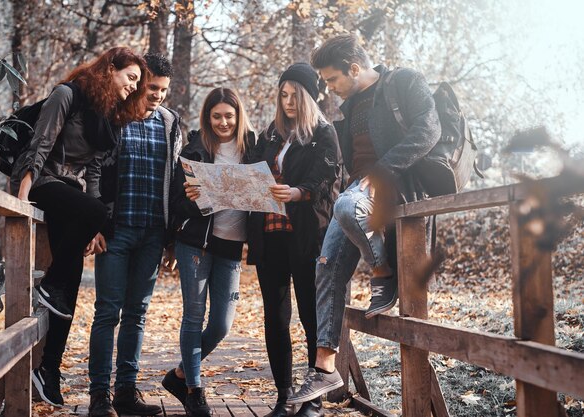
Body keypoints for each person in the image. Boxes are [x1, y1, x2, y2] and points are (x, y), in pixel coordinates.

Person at [288, 34, 441, 404]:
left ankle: (382, 272)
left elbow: (429, 130)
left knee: (344, 206)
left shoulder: (404, 81)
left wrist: (381, 171)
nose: (330, 89)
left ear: (354, 68)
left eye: (332, 80)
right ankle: (324, 368)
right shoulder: (351, 107)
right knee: (325, 266)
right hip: (358, 193)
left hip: (395, 186)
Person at [12, 47, 148, 407]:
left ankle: (48, 371)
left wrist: (95, 223)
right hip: (43, 182)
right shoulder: (67, 94)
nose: (134, 87)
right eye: (131, 78)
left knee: (68, 289)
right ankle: (50, 283)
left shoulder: (105, 116)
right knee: (65, 273)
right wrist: (22, 196)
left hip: (70, 195)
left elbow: (92, 172)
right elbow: (41, 141)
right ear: (110, 70)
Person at [85, 53, 182, 417]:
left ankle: (126, 391)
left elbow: (175, 181)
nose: (157, 95)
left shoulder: (171, 123)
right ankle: (99, 396)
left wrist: (171, 237)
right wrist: (94, 222)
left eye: (163, 90)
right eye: (152, 87)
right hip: (115, 232)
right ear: (141, 83)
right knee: (107, 312)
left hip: (153, 234)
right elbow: (94, 169)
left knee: (137, 313)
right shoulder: (114, 116)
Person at [247, 63, 341, 417]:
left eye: (294, 95)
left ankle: (312, 399)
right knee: (276, 316)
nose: (287, 102)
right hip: (268, 235)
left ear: (308, 97)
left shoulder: (323, 133)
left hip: (305, 236)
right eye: (283, 95)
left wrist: (298, 193)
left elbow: (326, 182)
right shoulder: (271, 133)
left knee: (310, 317)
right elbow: (253, 171)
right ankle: (284, 396)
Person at [161, 87, 256, 417]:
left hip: (231, 247)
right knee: (193, 315)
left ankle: (179, 375)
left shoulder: (252, 148)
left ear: (238, 116)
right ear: (207, 117)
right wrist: (192, 199)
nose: (223, 122)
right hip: (195, 245)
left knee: (221, 325)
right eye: (216, 116)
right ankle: (194, 391)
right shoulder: (194, 150)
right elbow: (175, 204)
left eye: (229, 116)